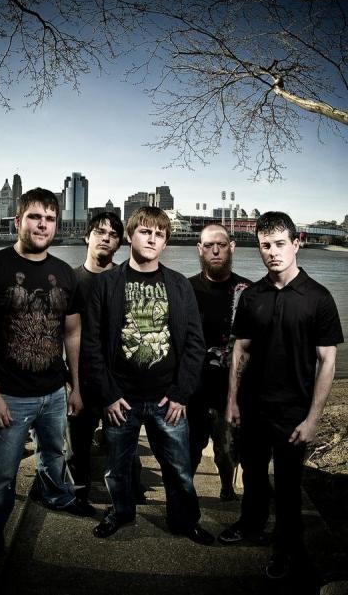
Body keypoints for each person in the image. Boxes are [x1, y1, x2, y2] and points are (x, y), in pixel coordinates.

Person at [0, 188, 86, 580]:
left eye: (49, 218)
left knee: (53, 454)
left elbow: (72, 334)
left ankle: (57, 495)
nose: (42, 225)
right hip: (9, 397)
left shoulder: (65, 273)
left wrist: (76, 387)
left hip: (54, 393)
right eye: (34, 217)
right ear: (18, 221)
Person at [218, 211, 344, 580]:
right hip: (253, 407)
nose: (272, 252)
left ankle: (287, 547)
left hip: (293, 411)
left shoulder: (319, 298)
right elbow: (240, 351)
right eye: (265, 246)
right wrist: (232, 401)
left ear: (296, 244)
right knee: (254, 476)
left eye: (279, 244)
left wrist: (313, 419)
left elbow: (327, 361)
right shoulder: (252, 296)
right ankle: (250, 523)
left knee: (288, 487)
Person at [82, 206, 213, 545]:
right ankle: (120, 512)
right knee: (117, 468)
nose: (152, 239)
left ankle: (185, 520)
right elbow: (92, 345)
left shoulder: (179, 285)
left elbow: (195, 344)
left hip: (167, 400)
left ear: (165, 242)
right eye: (145, 231)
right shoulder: (106, 284)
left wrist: (181, 393)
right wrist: (108, 394)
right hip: (120, 400)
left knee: (179, 470)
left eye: (159, 234)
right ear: (129, 236)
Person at [67, 211, 138, 513]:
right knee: (76, 447)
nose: (106, 238)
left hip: (119, 383)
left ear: (119, 243)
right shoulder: (70, 280)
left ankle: (129, 497)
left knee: (125, 448)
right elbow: (61, 334)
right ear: (87, 236)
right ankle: (79, 496)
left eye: (113, 234)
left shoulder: (128, 279)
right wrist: (72, 386)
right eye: (99, 232)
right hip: (80, 381)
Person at [188, 224, 251, 500]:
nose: (215, 251)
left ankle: (227, 488)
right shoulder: (185, 289)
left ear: (232, 247)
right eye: (208, 245)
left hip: (231, 391)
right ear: (199, 249)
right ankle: (184, 496)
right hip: (194, 391)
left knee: (227, 451)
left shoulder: (247, 292)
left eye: (222, 245)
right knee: (189, 448)